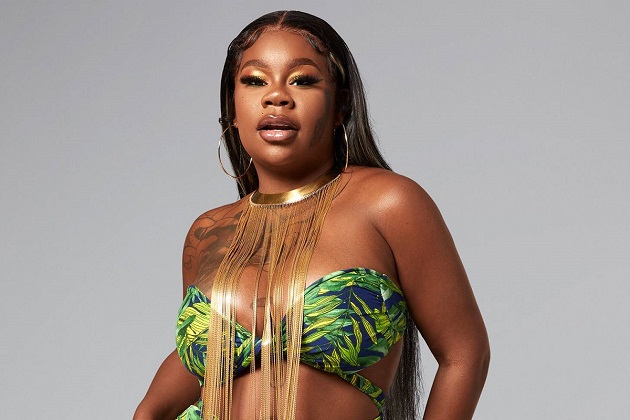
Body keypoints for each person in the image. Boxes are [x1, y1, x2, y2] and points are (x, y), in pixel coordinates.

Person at [134, 10, 489, 420]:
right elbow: (202, 360)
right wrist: (147, 413)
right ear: (231, 108)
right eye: (254, 80)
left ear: (341, 105)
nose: (276, 97)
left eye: (302, 80)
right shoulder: (208, 231)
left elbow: (465, 353)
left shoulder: (389, 203)